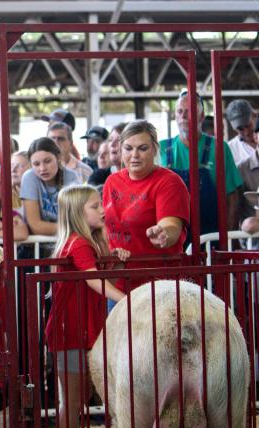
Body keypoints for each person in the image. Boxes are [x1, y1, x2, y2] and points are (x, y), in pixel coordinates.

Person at [44, 184, 128, 428]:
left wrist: (112, 255)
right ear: (78, 213)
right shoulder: (78, 244)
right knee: (74, 398)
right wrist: (128, 300)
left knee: (77, 397)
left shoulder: (85, 243)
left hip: (79, 331)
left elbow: (99, 276)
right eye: (94, 206)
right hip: (70, 332)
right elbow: (94, 281)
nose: (102, 209)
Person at [104, 120, 190, 291]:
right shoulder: (111, 181)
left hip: (159, 283)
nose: (134, 154)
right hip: (118, 283)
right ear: (121, 150)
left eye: (142, 148)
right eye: (128, 148)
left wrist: (163, 233)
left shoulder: (169, 182)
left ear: (155, 149)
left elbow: (172, 224)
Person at [159, 89, 242, 239]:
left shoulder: (219, 148)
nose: (183, 116)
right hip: (172, 238)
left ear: (201, 116)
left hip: (211, 238)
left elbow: (232, 197)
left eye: (189, 111)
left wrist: (227, 240)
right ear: (175, 116)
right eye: (179, 111)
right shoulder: (161, 149)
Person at [20, 137, 78, 236]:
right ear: (31, 165)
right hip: (38, 248)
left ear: (58, 158)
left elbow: (76, 219)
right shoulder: (29, 177)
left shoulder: (71, 176)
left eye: (47, 161)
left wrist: (73, 228)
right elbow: (35, 226)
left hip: (66, 243)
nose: (42, 168)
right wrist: (71, 229)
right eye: (36, 164)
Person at [88, 122, 126, 194]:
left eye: (118, 140)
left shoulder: (143, 176)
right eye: (110, 140)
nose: (112, 144)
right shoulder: (99, 176)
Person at [226, 99, 257, 165]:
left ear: (254, 116)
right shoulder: (230, 149)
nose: (246, 132)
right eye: (240, 129)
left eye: (248, 126)